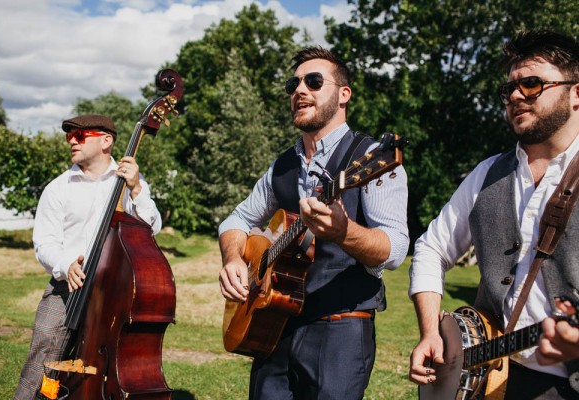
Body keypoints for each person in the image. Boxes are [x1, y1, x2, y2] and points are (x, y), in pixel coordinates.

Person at [218, 46, 409, 399]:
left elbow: (395, 250)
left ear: (343, 95)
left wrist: (344, 232)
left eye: (314, 81)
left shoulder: (371, 159)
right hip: (274, 325)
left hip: (341, 328)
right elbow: (238, 219)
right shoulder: (283, 165)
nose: (300, 90)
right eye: (294, 84)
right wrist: (233, 259)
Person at [408, 30, 579, 399]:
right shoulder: (488, 173)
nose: (516, 95)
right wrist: (430, 332)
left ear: (576, 93)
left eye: (532, 84)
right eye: (510, 89)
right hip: (491, 378)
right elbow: (430, 249)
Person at [14, 114, 162, 399]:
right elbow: (44, 243)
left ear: (106, 141)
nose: (71, 140)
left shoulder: (130, 182)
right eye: (69, 135)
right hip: (66, 289)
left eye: (80, 135)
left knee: (113, 363)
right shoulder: (58, 188)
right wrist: (65, 265)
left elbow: (151, 229)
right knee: (44, 359)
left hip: (113, 294)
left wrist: (137, 189)